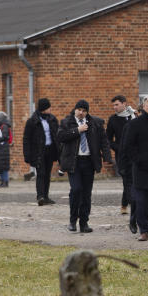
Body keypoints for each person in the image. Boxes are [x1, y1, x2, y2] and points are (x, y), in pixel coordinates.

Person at [57, 100, 109, 233]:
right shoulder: (66, 122)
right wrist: (77, 130)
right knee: (76, 189)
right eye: (79, 109)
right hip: (74, 162)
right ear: (75, 109)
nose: (81, 113)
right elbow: (60, 136)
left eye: (84, 110)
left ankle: (84, 222)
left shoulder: (95, 123)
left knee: (86, 193)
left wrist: (107, 157)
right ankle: (72, 220)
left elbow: (103, 141)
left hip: (89, 161)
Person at [122, 95, 148, 240]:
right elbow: (128, 146)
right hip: (142, 169)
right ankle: (144, 230)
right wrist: (138, 160)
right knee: (142, 201)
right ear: (143, 107)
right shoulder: (136, 124)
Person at [23, 98, 60, 206]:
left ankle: (46, 196)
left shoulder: (52, 119)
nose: (50, 109)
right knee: (41, 173)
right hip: (38, 151)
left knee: (47, 174)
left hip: (50, 150)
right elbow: (26, 139)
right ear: (44, 109)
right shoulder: (32, 121)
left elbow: (57, 135)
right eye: (49, 107)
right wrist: (27, 155)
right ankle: (40, 196)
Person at [106, 95, 136, 220]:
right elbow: (108, 139)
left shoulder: (134, 116)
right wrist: (117, 147)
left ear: (124, 104)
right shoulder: (113, 120)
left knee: (133, 181)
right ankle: (133, 205)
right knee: (127, 180)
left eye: (117, 104)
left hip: (136, 154)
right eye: (113, 105)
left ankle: (125, 203)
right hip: (122, 156)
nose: (114, 107)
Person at [0, 112, 13, 188]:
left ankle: (5, 182)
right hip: (2, 149)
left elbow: (4, 137)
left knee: (3, 167)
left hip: (3, 149)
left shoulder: (4, 126)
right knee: (2, 166)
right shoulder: (3, 126)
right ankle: (3, 182)